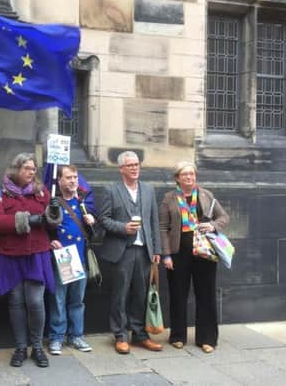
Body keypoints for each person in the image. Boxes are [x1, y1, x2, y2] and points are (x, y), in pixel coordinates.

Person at [0, 153, 63, 368]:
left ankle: (38, 347)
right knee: (16, 302)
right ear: (16, 169)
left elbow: (52, 223)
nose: (31, 172)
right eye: (26, 168)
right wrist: (26, 220)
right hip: (11, 255)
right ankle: (21, 347)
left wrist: (54, 215)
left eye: (33, 168)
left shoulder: (41, 192)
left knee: (35, 301)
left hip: (36, 254)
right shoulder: (0, 195)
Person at [159, 161, 229, 353]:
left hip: (205, 253)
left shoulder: (207, 195)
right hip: (178, 254)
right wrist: (166, 254)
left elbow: (224, 217)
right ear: (177, 178)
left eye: (191, 174)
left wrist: (213, 226)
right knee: (178, 295)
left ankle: (207, 339)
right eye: (184, 174)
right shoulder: (169, 198)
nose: (189, 177)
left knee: (206, 295)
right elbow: (163, 228)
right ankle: (178, 336)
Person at [99, 151, 163, 354]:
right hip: (122, 251)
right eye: (130, 165)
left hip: (144, 250)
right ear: (121, 169)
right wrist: (122, 227)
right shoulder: (111, 190)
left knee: (141, 294)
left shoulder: (148, 189)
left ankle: (140, 334)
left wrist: (157, 249)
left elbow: (154, 221)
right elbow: (103, 219)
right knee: (120, 295)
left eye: (136, 164)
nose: (134, 168)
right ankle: (120, 335)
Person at [47, 164, 96, 356]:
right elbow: (45, 229)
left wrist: (91, 221)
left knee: (77, 300)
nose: (73, 181)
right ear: (59, 181)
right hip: (63, 258)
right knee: (58, 300)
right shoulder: (54, 203)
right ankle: (56, 337)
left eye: (75, 177)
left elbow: (93, 232)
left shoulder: (82, 203)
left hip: (80, 256)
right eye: (68, 177)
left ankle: (76, 335)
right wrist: (51, 241)